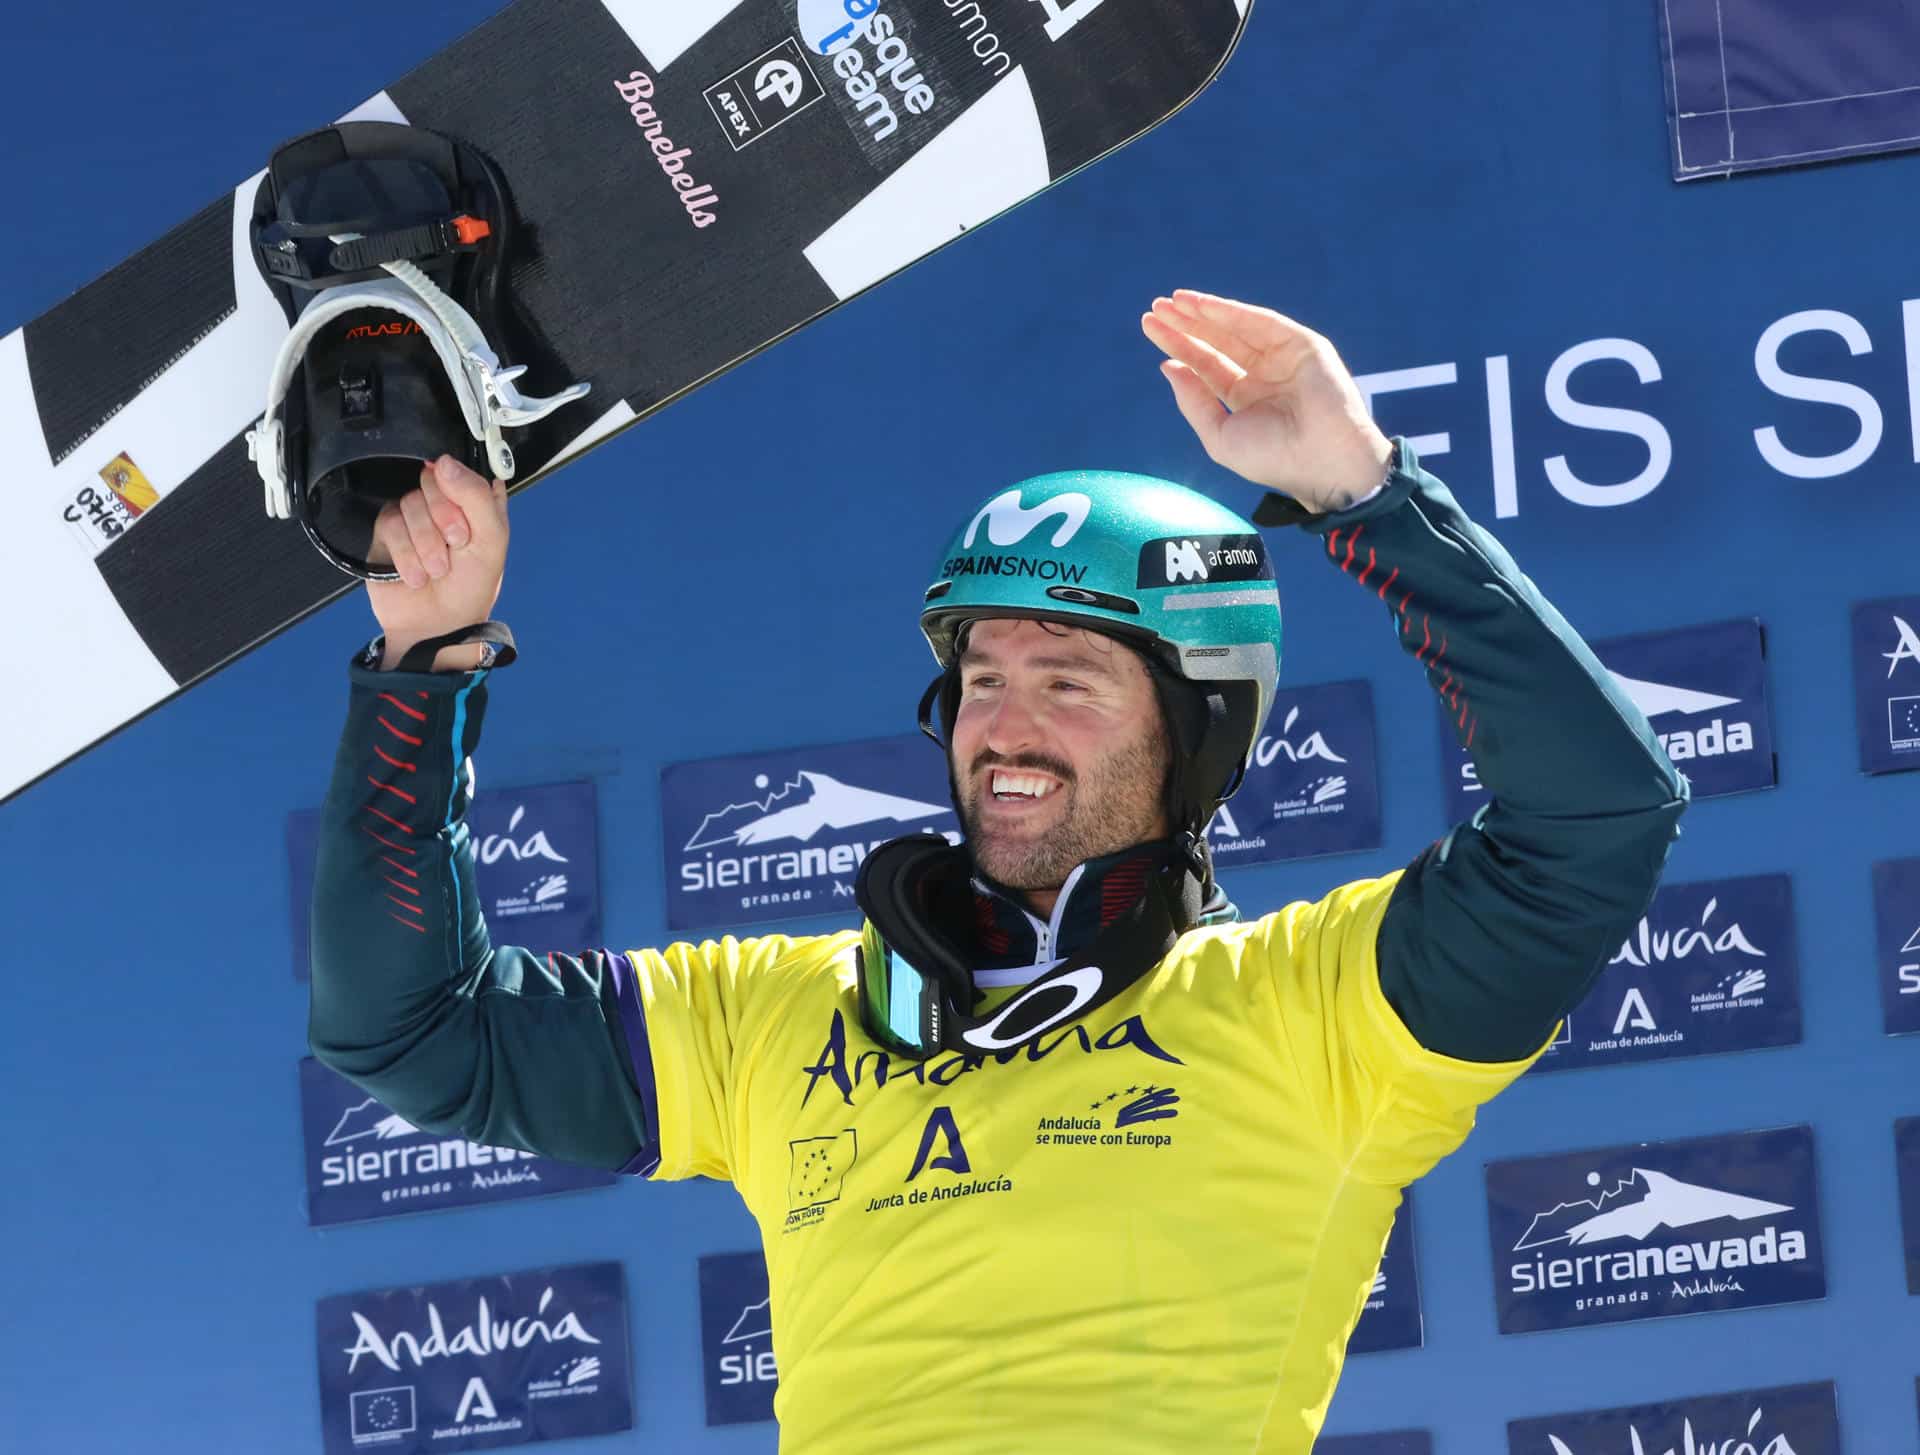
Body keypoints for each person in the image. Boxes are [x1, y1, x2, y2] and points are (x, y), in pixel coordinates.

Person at [309, 290, 1689, 1453]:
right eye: (982, 678)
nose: (1006, 727)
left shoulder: (1317, 1015)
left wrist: (1364, 493)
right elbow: (413, 1031)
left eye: (1071, 681)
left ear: (1199, 723)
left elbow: (1596, 815)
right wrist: (424, 667)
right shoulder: (783, 1012)